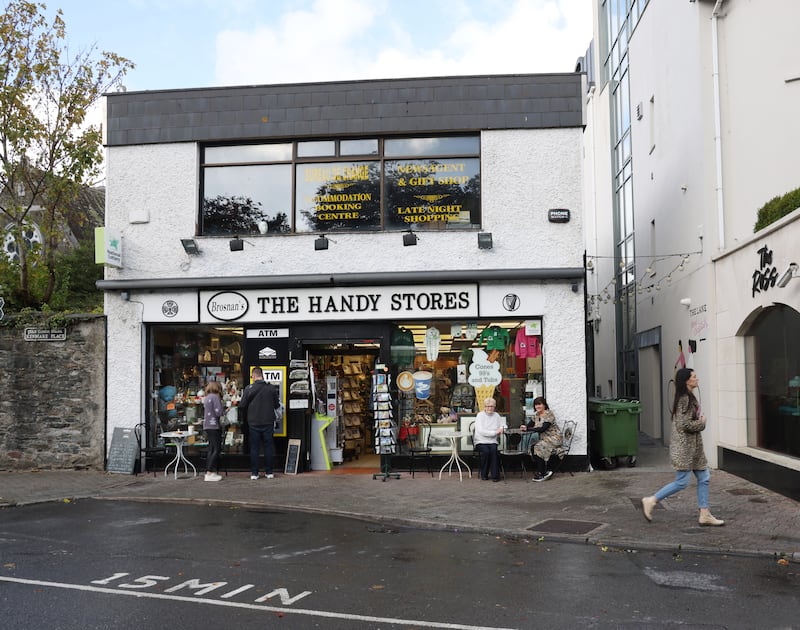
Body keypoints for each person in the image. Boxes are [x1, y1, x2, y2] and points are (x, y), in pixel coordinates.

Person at [641, 368, 724, 526]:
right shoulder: (684, 399)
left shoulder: (687, 397)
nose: (697, 379)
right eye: (694, 377)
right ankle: (651, 500)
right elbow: (683, 424)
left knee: (704, 477)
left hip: (693, 449)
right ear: (687, 380)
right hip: (685, 449)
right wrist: (702, 422)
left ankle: (705, 513)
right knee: (681, 482)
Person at [238, 367, 281, 480]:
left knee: (255, 448)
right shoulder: (271, 388)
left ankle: (254, 473)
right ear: (262, 375)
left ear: (253, 376)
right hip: (268, 421)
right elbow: (277, 405)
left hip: (253, 422)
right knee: (268, 447)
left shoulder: (248, 389)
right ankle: (269, 472)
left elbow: (242, 405)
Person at [523, 396, 562, 482]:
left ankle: (543, 473)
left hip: (554, 438)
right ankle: (543, 471)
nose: (538, 407)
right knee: (532, 447)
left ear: (544, 405)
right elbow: (529, 425)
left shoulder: (549, 414)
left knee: (538, 447)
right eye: (536, 405)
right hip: (545, 439)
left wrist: (528, 429)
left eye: (539, 404)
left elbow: (542, 429)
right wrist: (524, 427)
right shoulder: (536, 415)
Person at [473, 397, 507, 482]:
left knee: (493, 451)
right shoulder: (480, 415)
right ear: (484, 407)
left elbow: (504, 425)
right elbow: (481, 431)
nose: (490, 408)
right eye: (488, 406)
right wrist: (495, 432)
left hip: (492, 441)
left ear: (494, 407)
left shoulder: (496, 415)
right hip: (480, 441)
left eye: (492, 406)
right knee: (486, 452)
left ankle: (495, 476)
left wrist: (503, 428)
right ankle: (484, 474)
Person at [202, 380, 224, 482]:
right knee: (216, 449)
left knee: (211, 448)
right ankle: (209, 472)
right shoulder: (215, 397)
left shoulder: (207, 398)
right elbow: (218, 412)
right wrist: (225, 410)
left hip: (207, 425)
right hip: (214, 425)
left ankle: (209, 470)